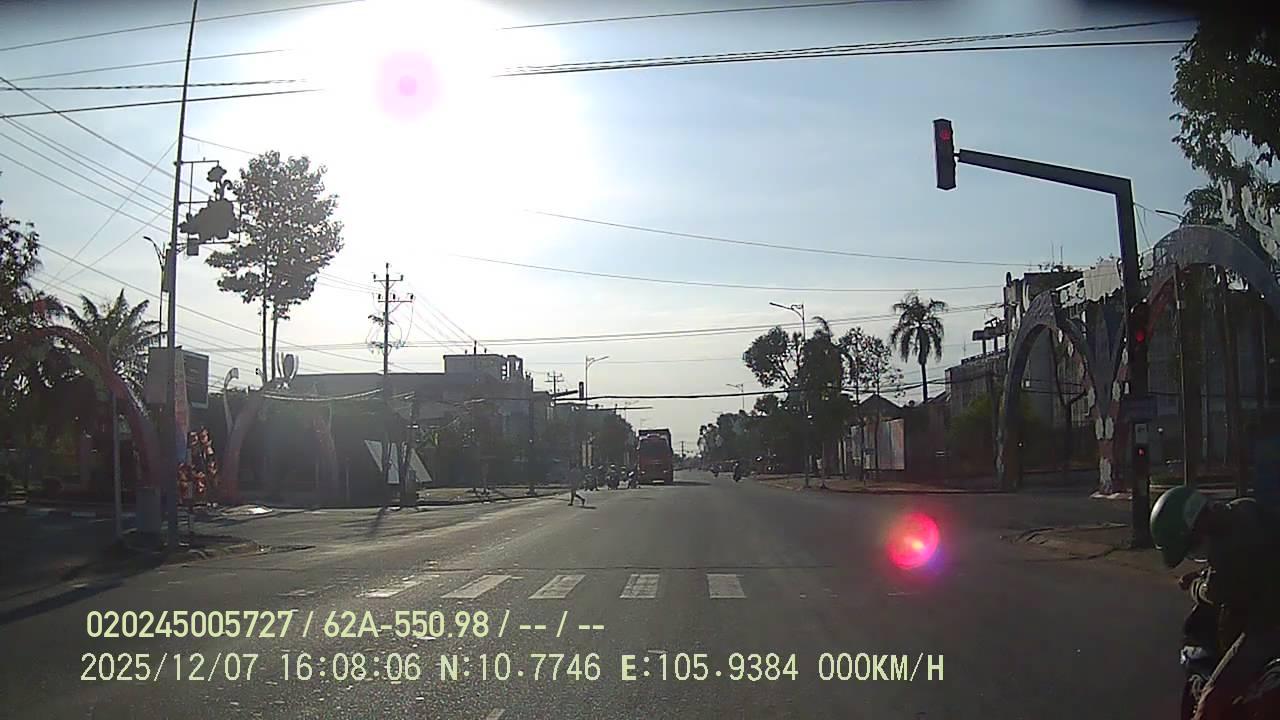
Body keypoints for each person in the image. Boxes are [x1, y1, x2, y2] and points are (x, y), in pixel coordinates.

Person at [1150, 486, 1280, 719]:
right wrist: (1204, 574)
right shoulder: (1245, 509)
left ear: (1197, 529)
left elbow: (1214, 591)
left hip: (1268, 627)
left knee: (1210, 703)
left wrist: (1194, 585)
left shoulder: (1225, 552)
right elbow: (1244, 568)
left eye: (1191, 546)